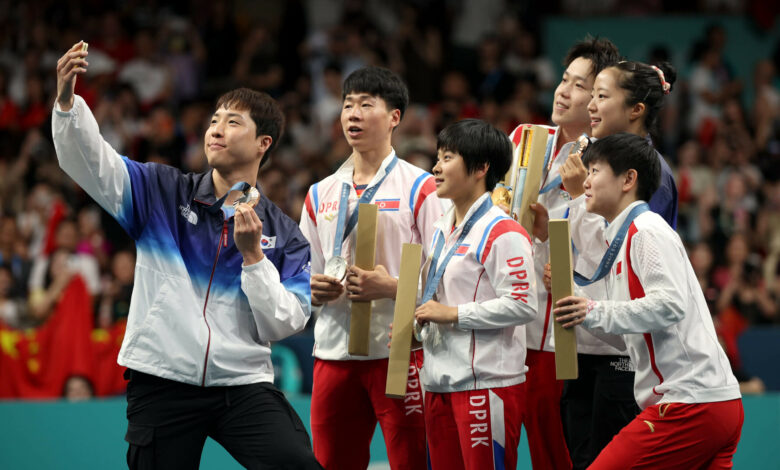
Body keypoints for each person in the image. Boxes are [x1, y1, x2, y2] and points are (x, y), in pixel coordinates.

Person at [53, 41, 321, 469]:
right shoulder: (160, 191)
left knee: (297, 464)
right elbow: (92, 163)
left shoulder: (284, 235)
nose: (216, 128)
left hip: (242, 383)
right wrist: (68, 103)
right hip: (162, 378)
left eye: (233, 122)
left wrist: (254, 260)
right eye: (214, 119)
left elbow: (283, 323)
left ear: (262, 144)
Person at [552, 133, 743, 469]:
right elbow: (629, 337)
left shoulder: (646, 230)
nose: (586, 181)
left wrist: (592, 309)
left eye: (595, 170)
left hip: (689, 402)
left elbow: (669, 305)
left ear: (628, 179)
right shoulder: (623, 236)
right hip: (710, 401)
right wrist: (579, 307)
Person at [299, 66, 445, 470]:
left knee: (412, 462)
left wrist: (392, 286)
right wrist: (313, 289)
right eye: (348, 105)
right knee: (330, 463)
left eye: (366, 104)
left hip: (399, 352)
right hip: (332, 354)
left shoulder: (422, 188)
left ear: (394, 117)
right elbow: (301, 275)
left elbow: (445, 277)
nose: (353, 114)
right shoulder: (319, 193)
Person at [555, 59, 681, 469]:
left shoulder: (650, 175)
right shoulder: (595, 160)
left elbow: (625, 257)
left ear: (635, 110)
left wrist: (578, 198)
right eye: (590, 95)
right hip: (585, 342)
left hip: (624, 353)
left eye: (601, 96)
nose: (590, 105)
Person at [506, 36, 621, 470]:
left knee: (554, 452)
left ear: (599, 98)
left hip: (562, 334)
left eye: (578, 85)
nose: (562, 91)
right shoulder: (523, 139)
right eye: (563, 79)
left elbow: (608, 244)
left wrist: (567, 209)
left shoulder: (604, 160)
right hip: (510, 320)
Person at [415, 119, 536, 469]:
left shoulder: (503, 231)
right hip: (438, 382)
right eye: (438, 157)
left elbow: (523, 304)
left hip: (485, 385)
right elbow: (438, 296)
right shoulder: (441, 229)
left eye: (448, 157)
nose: (436, 167)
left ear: (481, 168)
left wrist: (451, 315)